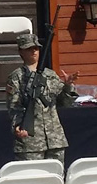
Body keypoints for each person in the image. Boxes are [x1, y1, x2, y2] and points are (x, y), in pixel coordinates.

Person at [7, 33, 79, 162]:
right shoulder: (17, 77)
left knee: (56, 173)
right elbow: (14, 106)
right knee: (32, 173)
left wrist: (68, 86)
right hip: (31, 141)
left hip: (54, 139)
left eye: (36, 48)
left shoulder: (50, 75)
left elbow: (65, 103)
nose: (34, 51)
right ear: (21, 52)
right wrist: (17, 125)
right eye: (29, 48)